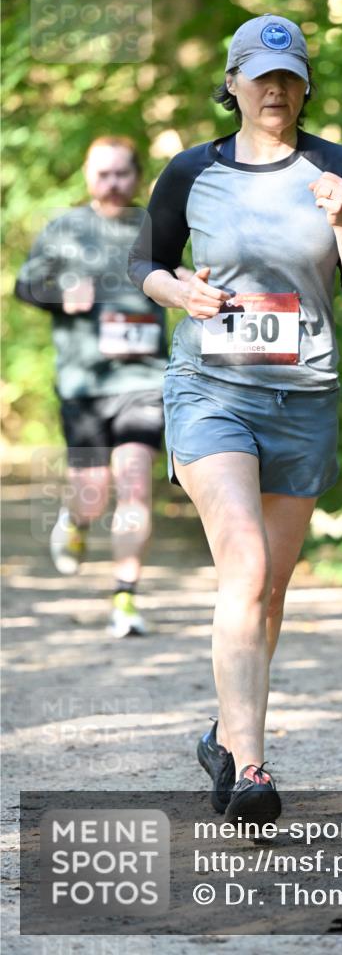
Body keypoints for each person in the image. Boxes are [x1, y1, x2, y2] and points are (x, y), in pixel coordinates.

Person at [128, 14, 342, 823]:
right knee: (242, 567)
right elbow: (144, 262)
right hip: (210, 388)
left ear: (305, 85)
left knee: (269, 591)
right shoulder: (188, 171)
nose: (275, 88)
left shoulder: (340, 168)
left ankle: (224, 733)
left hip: (304, 398)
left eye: (290, 75)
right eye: (260, 74)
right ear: (233, 84)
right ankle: (251, 768)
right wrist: (180, 291)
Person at [15, 136, 172, 637]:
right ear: (87, 175)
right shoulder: (65, 228)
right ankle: (77, 520)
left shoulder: (153, 226)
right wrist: (59, 293)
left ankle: (125, 597)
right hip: (84, 381)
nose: (112, 183)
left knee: (134, 480)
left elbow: (176, 276)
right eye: (102, 174)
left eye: (121, 173)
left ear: (137, 174)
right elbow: (25, 285)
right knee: (93, 488)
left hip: (144, 377)